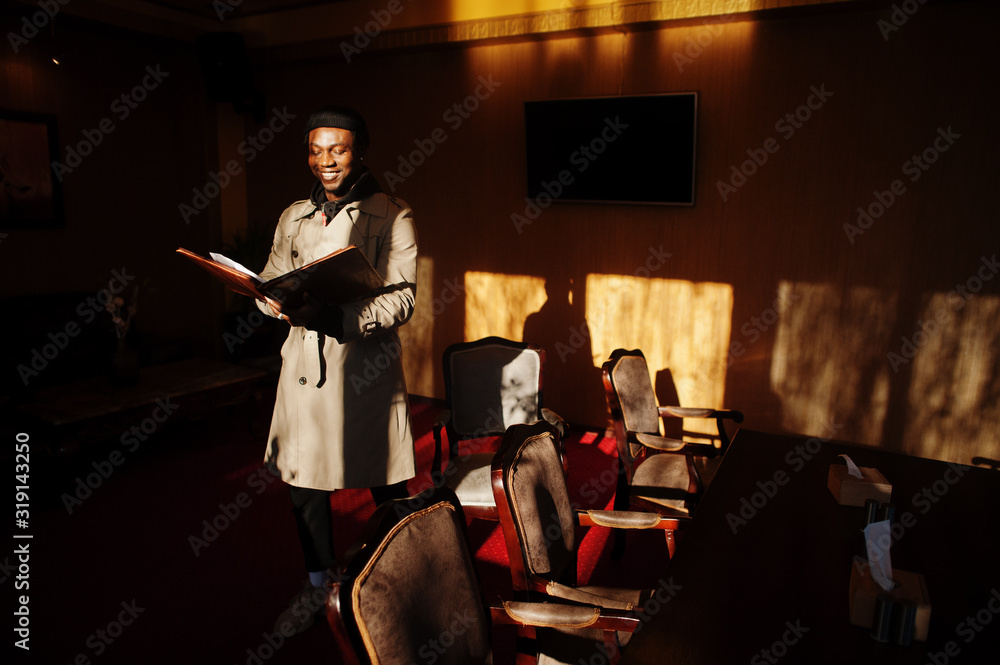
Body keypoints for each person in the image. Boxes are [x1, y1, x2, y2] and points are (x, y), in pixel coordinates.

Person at [255, 105, 418, 634]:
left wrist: (328, 314)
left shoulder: (394, 213)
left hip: (362, 370)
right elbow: (271, 276)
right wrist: (267, 298)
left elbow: (402, 301)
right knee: (304, 483)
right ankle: (317, 586)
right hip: (302, 367)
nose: (326, 161)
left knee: (386, 483)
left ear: (360, 151)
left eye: (339, 149)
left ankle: (414, 575)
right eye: (316, 150)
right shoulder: (291, 216)